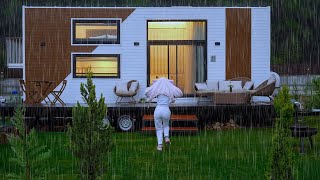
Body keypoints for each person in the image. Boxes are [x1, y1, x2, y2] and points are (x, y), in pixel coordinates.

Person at [145, 78, 183, 151]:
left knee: (159, 128)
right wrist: (172, 87)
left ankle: (160, 145)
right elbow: (180, 93)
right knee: (166, 125)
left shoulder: (158, 91)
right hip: (166, 110)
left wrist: (153, 86)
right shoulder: (169, 90)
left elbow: (146, 92)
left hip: (158, 110)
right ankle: (166, 137)